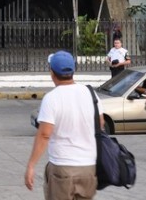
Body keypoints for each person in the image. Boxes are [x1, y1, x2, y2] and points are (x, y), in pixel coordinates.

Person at [24, 51, 101, 197]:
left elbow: (44, 134)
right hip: (88, 167)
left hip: (63, 167)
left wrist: (31, 165)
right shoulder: (90, 93)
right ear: (73, 70)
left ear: (51, 72)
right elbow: (100, 124)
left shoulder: (52, 98)